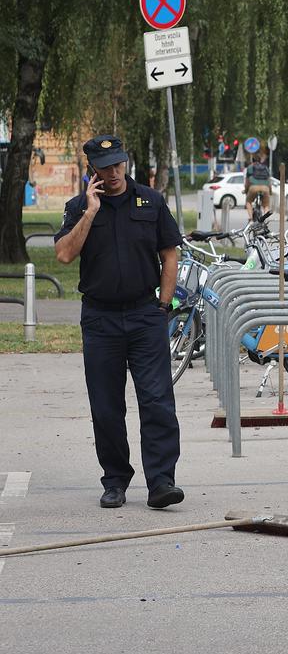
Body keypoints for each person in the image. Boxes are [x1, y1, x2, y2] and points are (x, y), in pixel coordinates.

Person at [53, 135, 184, 510]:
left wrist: (163, 304)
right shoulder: (78, 206)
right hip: (100, 318)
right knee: (106, 406)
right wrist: (90, 212)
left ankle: (161, 481)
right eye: (105, 166)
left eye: (117, 164)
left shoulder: (151, 200)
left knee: (157, 400)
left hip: (145, 314)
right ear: (92, 168)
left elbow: (169, 253)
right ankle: (115, 480)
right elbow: (63, 255)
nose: (113, 172)